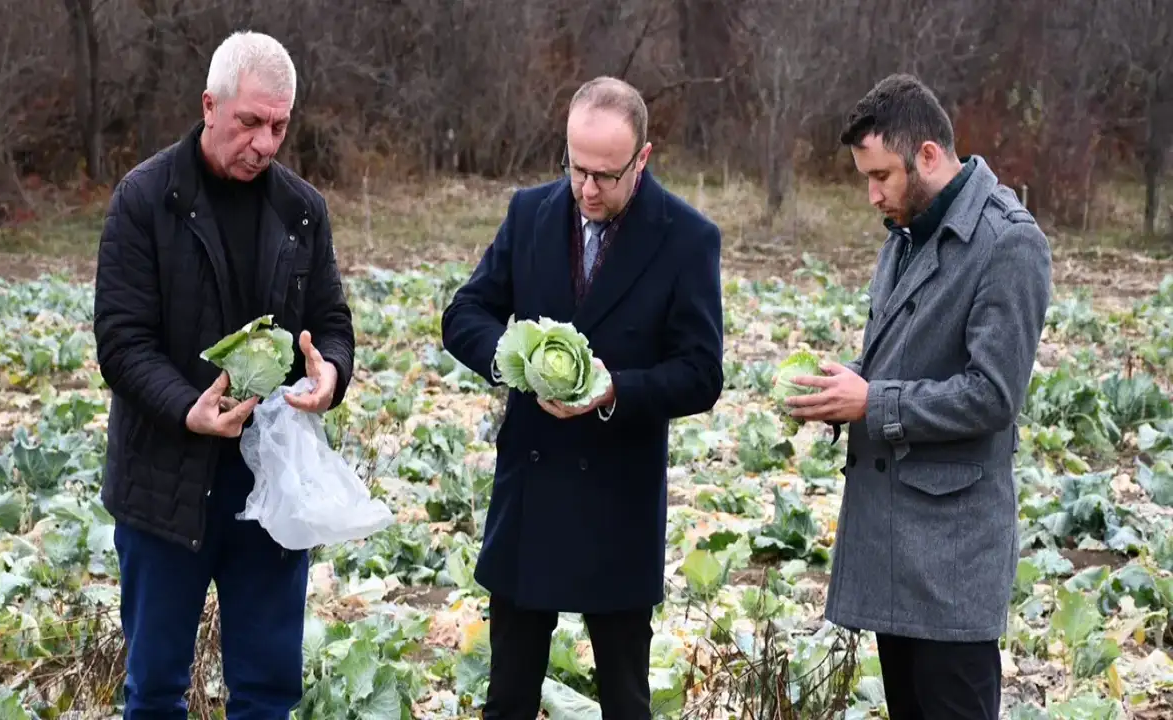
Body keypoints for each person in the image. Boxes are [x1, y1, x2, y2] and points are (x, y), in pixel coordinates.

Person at [441, 76, 724, 719]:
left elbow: (702, 373)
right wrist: (514, 361)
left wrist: (611, 388)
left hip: (618, 499)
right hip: (532, 490)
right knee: (507, 695)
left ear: (642, 159)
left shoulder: (687, 238)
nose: (588, 188)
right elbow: (465, 313)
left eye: (606, 175)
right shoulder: (529, 213)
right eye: (577, 169)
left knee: (625, 698)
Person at [92, 30, 355, 719]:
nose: (265, 143)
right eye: (249, 123)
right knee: (154, 693)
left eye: (279, 126)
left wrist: (332, 374)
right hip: (164, 487)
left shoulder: (303, 210)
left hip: (268, 485)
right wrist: (188, 408)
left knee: (267, 693)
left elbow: (331, 322)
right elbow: (121, 342)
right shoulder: (144, 200)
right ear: (210, 106)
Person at [784, 73, 1052, 720]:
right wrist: (837, 388)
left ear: (928, 155)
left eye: (882, 176)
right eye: (866, 178)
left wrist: (871, 403)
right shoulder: (907, 231)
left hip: (952, 561)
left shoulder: (1008, 244)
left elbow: (992, 396)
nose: (872, 194)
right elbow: (900, 362)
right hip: (893, 546)